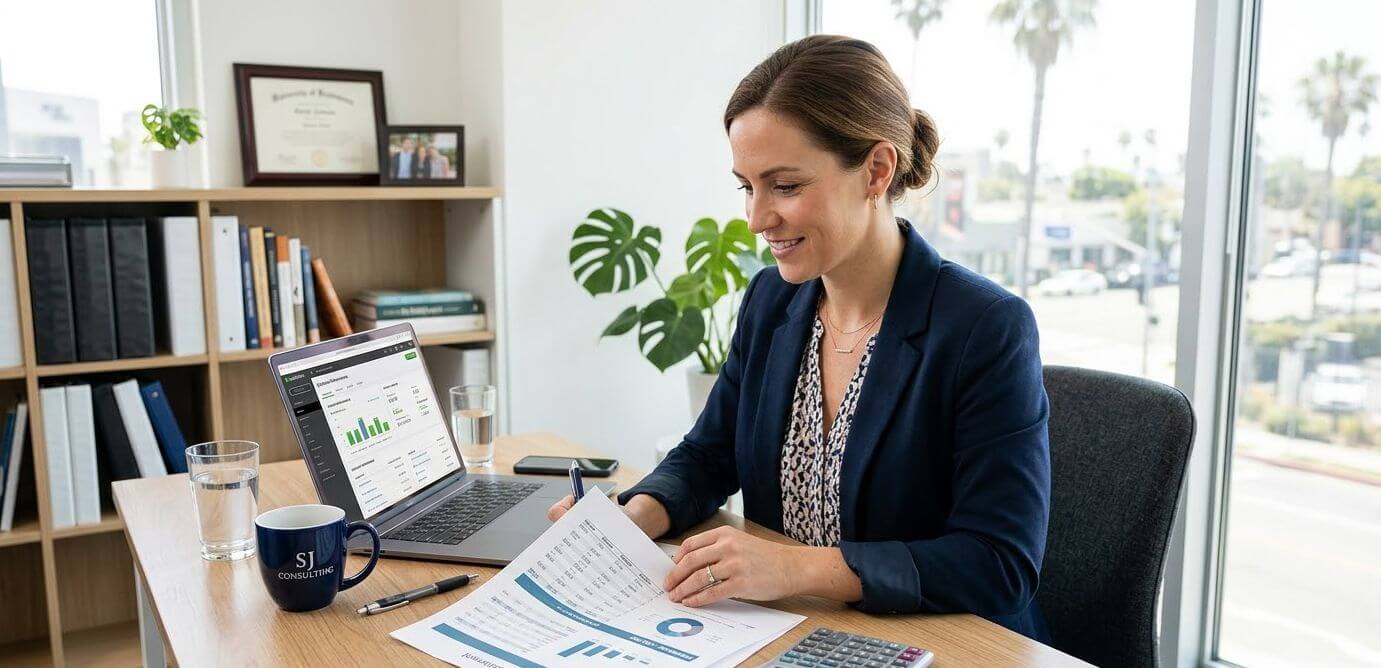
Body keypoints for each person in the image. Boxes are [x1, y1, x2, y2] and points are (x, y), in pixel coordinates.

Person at [548, 34, 1051, 641]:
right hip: (791, 633)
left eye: (784, 186)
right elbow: (709, 452)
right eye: (746, 186)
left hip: (939, 643)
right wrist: (635, 516)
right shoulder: (773, 300)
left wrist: (795, 568)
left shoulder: (984, 328)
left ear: (877, 170)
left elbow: (999, 561)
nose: (757, 218)